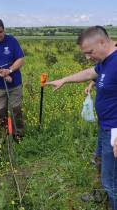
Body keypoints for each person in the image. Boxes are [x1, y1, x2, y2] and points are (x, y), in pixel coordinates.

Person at [46, 26, 117, 209]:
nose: (87, 57)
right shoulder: (106, 61)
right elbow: (89, 73)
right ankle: (103, 196)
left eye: (89, 52)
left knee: (112, 181)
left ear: (102, 42)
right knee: (100, 163)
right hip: (105, 127)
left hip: (115, 132)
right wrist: (64, 80)